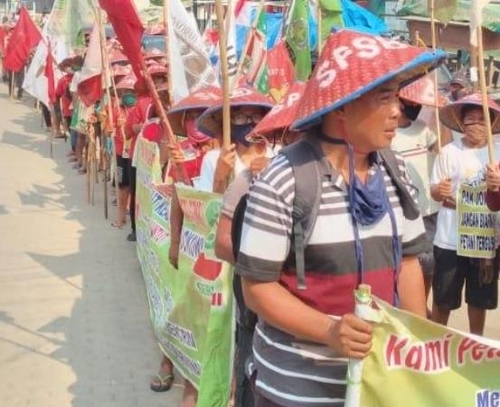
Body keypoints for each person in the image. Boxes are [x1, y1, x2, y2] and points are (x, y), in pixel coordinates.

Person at [235, 29, 445, 406]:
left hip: (377, 382)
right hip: (298, 389)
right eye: (385, 98)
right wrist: (330, 330)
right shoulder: (283, 179)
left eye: (397, 97)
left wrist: (417, 349)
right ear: (342, 105)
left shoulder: (394, 172)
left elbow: (410, 263)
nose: (398, 111)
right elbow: (256, 288)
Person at [214, 83, 305, 407]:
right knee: (251, 387)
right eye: (296, 132)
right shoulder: (254, 179)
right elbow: (222, 244)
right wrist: (267, 272)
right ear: (284, 136)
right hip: (259, 320)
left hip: (321, 344)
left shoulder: (350, 180)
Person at [431, 93, 500, 336]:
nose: (476, 125)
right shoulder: (448, 152)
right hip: (449, 237)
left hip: (483, 238)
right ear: (461, 124)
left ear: (492, 124)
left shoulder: (498, 152)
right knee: (443, 298)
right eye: (470, 120)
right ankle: (436, 345)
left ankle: (475, 345)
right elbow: (435, 191)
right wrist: (439, 191)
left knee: (479, 300)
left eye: (482, 120)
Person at [392, 75, 447, 313]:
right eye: (410, 102)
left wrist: (441, 112)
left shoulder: (423, 130)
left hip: (428, 212)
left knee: (428, 267)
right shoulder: (387, 133)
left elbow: (442, 149)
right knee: (404, 266)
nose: (414, 107)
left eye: (417, 103)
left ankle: (421, 313)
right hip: (401, 213)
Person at [195, 86, 274, 194]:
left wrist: (273, 168)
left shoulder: (277, 154)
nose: (249, 122)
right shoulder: (213, 159)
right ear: (228, 122)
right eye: (240, 117)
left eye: (256, 116)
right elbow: (209, 206)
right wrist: (219, 178)